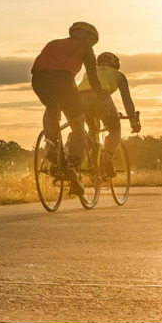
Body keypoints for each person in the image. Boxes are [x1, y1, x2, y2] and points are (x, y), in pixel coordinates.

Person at [31, 22, 104, 195]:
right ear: (89, 37)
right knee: (78, 126)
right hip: (64, 79)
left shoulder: (53, 42)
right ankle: (74, 166)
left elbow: (39, 65)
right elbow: (92, 77)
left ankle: (51, 144)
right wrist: (101, 97)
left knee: (51, 105)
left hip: (39, 80)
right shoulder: (85, 46)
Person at [78, 51, 141, 177]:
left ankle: (81, 160)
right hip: (101, 97)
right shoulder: (119, 75)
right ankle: (106, 158)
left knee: (92, 129)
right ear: (115, 63)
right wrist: (133, 121)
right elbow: (127, 100)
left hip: (80, 98)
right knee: (114, 129)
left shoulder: (89, 71)